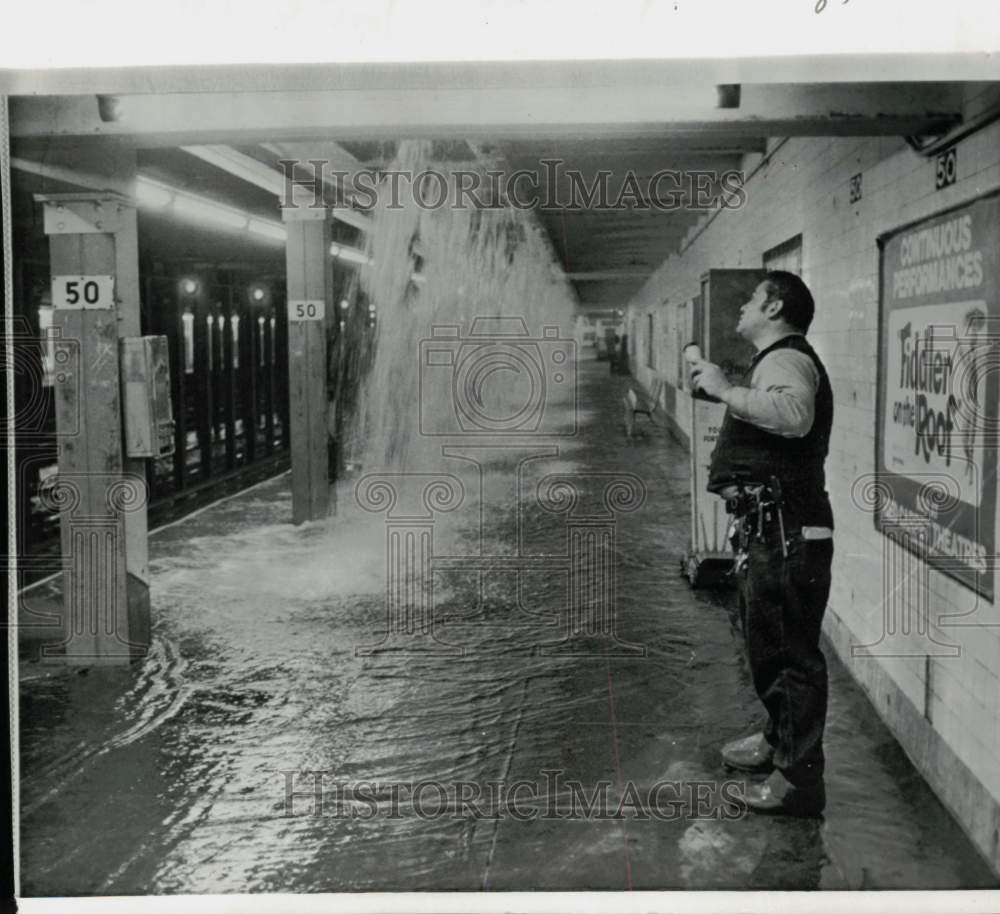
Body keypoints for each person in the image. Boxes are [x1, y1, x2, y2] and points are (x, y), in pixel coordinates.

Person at [689, 271, 834, 817]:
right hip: (776, 530)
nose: (741, 309)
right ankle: (778, 743)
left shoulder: (787, 358)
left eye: (750, 300)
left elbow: (795, 417)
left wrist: (727, 389)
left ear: (773, 306)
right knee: (769, 648)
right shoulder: (775, 360)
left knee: (790, 655)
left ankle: (798, 781)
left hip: (789, 531)